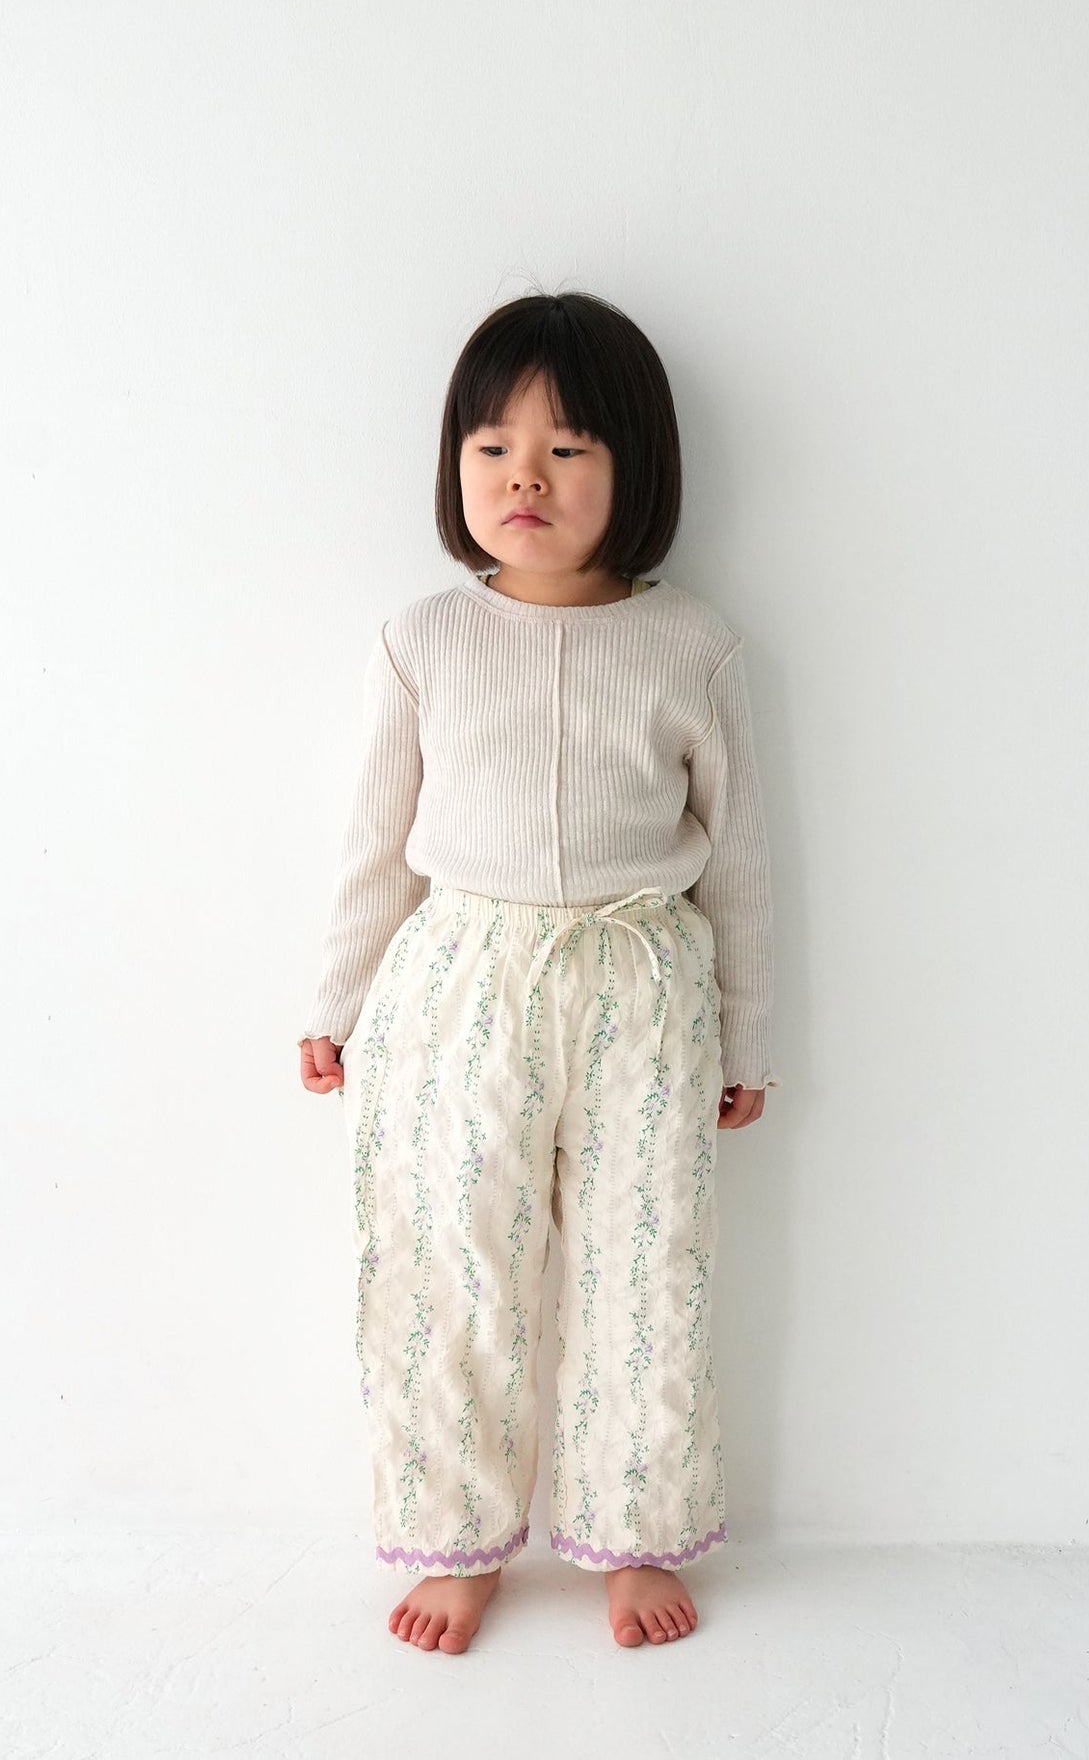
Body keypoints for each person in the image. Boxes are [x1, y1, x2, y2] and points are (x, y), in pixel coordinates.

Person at [298, 290, 779, 1656]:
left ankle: (635, 1529)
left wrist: (747, 1036)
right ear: (454, 469)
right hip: (462, 982)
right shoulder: (424, 642)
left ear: (636, 470)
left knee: (647, 1260)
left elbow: (742, 862)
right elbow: (374, 846)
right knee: (452, 1259)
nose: (525, 478)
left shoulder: (694, 646)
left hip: (644, 985)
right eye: (492, 448)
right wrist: (333, 1003)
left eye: (568, 449)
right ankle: (456, 1534)